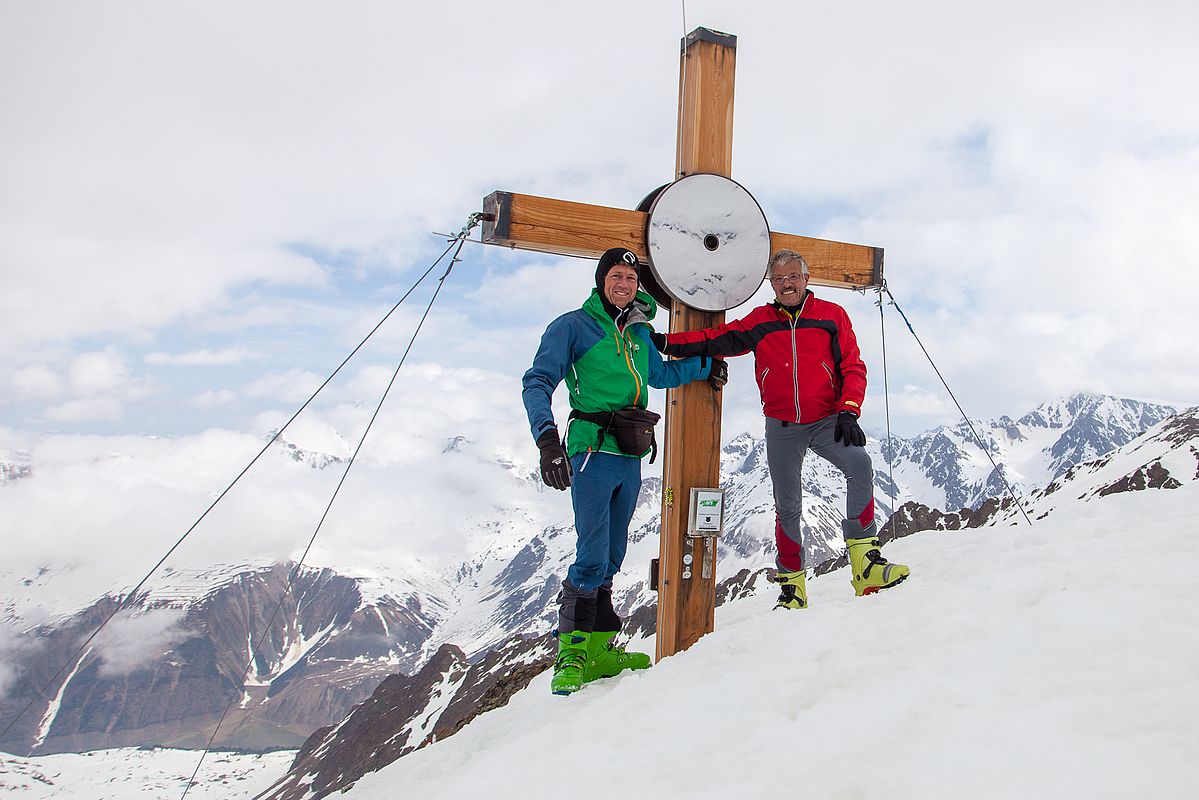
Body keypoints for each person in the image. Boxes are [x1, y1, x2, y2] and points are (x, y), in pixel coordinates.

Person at [653, 249, 909, 610]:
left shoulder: (831, 316)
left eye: (793, 277)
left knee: (860, 465)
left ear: (806, 279)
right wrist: (664, 342)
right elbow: (716, 338)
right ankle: (792, 587)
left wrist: (849, 410)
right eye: (779, 279)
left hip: (827, 419)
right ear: (771, 285)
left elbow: (853, 366)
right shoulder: (760, 321)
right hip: (783, 425)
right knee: (787, 505)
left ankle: (865, 563)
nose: (786, 284)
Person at [523, 246, 724, 696]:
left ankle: (599, 649)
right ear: (601, 281)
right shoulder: (573, 327)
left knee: (613, 552)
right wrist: (547, 441)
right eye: (616, 277)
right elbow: (537, 381)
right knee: (591, 552)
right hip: (591, 448)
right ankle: (571, 653)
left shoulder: (638, 331)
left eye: (631, 280)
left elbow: (658, 376)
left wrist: (704, 367)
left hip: (630, 451)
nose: (624, 285)